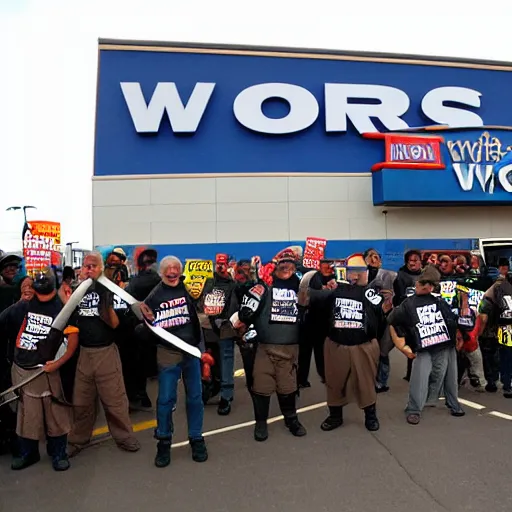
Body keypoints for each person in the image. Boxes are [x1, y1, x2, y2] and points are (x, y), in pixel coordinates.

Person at [0, 268, 79, 471]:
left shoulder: (62, 308)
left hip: (48, 370)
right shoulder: (22, 307)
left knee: (55, 414)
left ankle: (58, 452)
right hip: (23, 370)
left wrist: (58, 364)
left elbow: (72, 341)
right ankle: (29, 453)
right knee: (27, 416)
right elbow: (4, 323)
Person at [67, 252, 140, 457]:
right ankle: (77, 439)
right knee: (81, 401)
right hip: (84, 353)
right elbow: (68, 321)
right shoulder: (76, 292)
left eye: (93, 266)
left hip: (106, 351)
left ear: (100, 268)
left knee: (114, 400)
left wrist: (105, 300)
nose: (88, 269)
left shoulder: (109, 290)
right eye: (85, 266)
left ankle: (124, 437)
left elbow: (115, 324)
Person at [139, 255, 208, 468]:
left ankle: (196, 438)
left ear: (180, 271)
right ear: (161, 272)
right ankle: (163, 441)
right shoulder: (154, 295)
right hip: (168, 352)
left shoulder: (188, 289)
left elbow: (199, 315)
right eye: (168, 268)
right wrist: (144, 318)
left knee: (195, 397)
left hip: (192, 351)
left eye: (175, 268)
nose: (172, 271)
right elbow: (142, 318)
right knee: (166, 399)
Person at [304, 254, 385, 432]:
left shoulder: (370, 292)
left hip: (363, 345)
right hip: (336, 344)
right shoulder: (334, 290)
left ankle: (370, 415)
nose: (356, 275)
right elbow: (310, 299)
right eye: (352, 271)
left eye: (360, 271)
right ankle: (335, 416)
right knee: (334, 382)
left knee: (366, 383)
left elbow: (380, 309)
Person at [237, 251, 306, 442]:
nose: (287, 270)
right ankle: (261, 423)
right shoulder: (263, 287)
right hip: (264, 348)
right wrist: (253, 298)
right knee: (261, 386)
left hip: (289, 348)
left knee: (288, 387)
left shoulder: (299, 288)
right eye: (283, 266)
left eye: (291, 266)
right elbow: (244, 314)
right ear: (274, 268)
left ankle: (291, 420)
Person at [387, 265, 465, 425]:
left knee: (450, 375)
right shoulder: (408, 303)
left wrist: (457, 336)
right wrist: (402, 347)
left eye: (429, 284)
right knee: (419, 377)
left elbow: (450, 320)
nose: (426, 286)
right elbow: (392, 322)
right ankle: (414, 408)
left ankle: (452, 402)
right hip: (423, 346)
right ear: (417, 283)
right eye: (423, 283)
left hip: (445, 343)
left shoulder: (439, 300)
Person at [199, 253, 239, 415]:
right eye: (218, 263)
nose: (220, 266)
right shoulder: (209, 282)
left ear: (228, 264)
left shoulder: (233, 284)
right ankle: (212, 387)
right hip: (209, 326)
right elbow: (202, 302)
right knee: (209, 360)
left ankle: (226, 395)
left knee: (226, 359)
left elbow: (235, 304)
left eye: (223, 263)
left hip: (225, 326)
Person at [297, 260, 334, 388]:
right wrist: (326, 291)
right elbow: (307, 294)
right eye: (325, 263)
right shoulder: (311, 276)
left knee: (321, 352)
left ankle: (324, 376)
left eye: (330, 263)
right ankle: (302, 379)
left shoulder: (335, 277)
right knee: (304, 353)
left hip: (323, 322)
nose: (329, 266)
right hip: (308, 321)